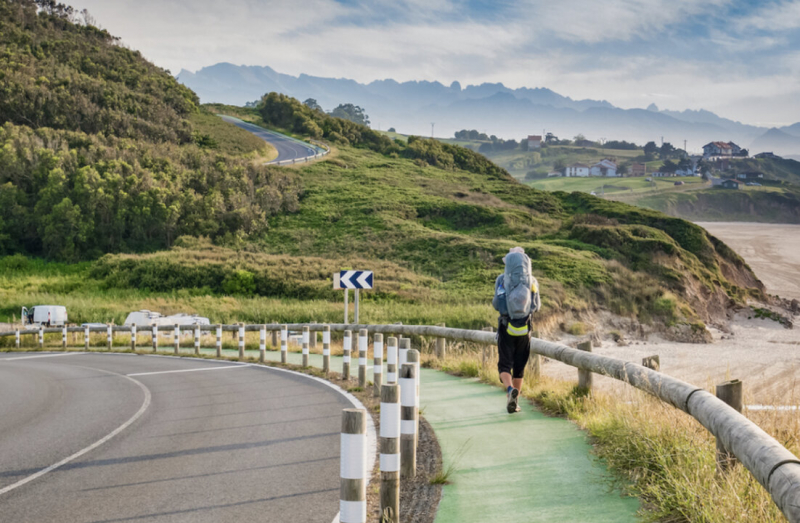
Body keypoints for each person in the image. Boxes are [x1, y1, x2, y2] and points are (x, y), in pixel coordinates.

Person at [492, 247, 540, 413]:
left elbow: (497, 304)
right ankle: (515, 402)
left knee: (504, 365)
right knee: (519, 367)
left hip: (506, 327)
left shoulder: (501, 280)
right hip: (525, 330)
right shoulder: (532, 281)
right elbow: (536, 306)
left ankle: (509, 390)